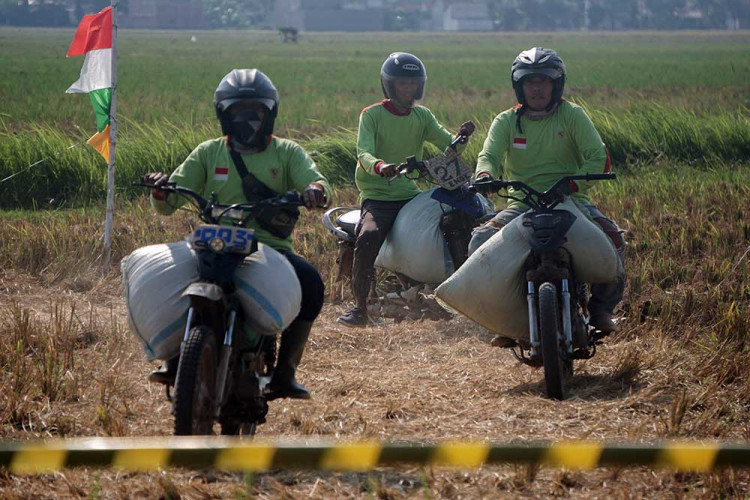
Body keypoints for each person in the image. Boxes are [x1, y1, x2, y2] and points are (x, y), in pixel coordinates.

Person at [143, 68, 332, 400]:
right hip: (213, 242)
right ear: (224, 115)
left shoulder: (286, 152)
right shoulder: (208, 152)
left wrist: (315, 190)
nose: (248, 120)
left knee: (311, 283)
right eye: (239, 112)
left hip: (269, 248)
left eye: (255, 112)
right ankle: (174, 357)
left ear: (269, 114)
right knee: (174, 280)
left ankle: (285, 373)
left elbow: (316, 181)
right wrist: (161, 189)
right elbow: (168, 203)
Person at [469, 47, 625, 344]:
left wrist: (572, 186)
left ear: (556, 84)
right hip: (523, 204)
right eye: (530, 81)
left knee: (614, 238)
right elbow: (488, 156)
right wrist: (485, 176)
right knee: (479, 241)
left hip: (569, 201)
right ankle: (506, 319)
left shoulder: (572, 115)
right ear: (519, 86)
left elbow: (598, 157)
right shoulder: (506, 121)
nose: (537, 88)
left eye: (543, 81)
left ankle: (601, 310)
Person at [336, 52, 476, 327]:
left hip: (411, 194)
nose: (408, 88)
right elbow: (363, 153)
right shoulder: (372, 115)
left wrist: (462, 137)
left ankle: (460, 294)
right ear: (389, 85)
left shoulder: (422, 116)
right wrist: (380, 166)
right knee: (369, 235)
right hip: (379, 197)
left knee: (455, 220)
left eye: (413, 83)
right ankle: (359, 308)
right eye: (402, 83)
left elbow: (449, 148)